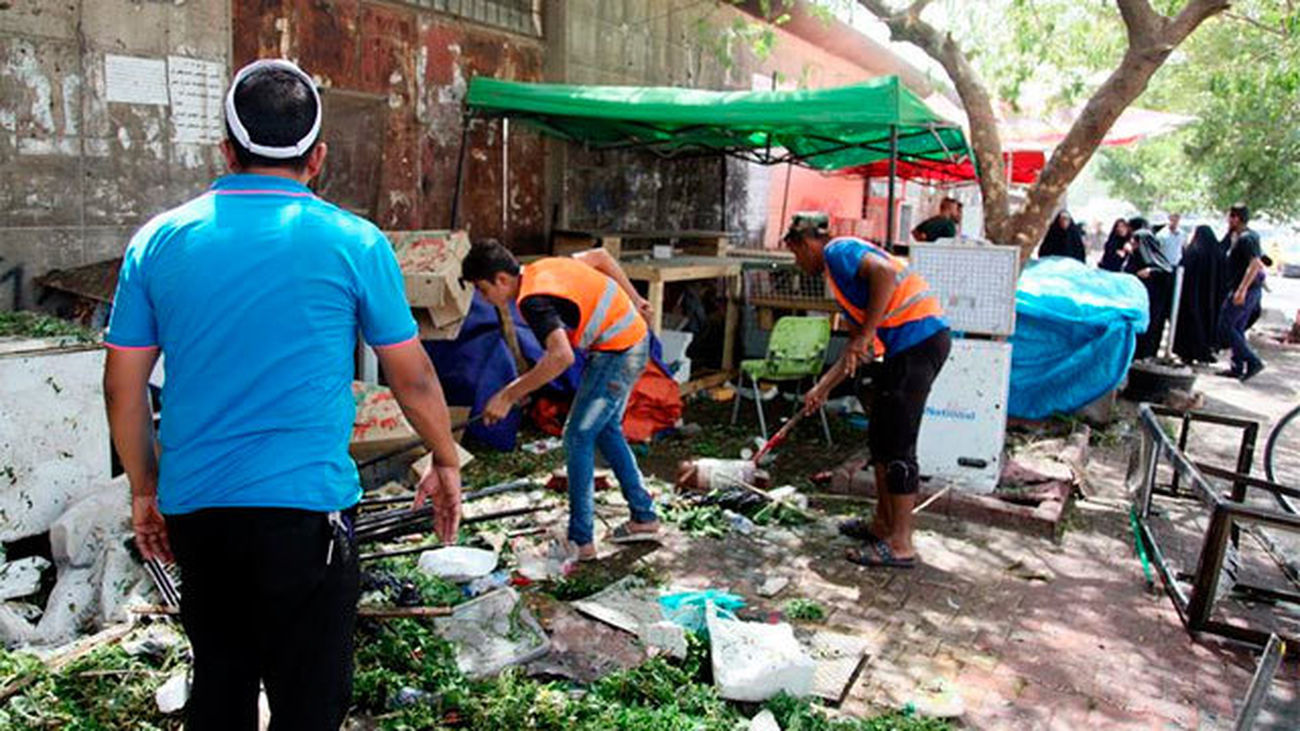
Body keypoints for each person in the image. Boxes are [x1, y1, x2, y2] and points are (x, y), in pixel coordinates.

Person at [102, 60, 464, 729]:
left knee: (221, 688)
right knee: (309, 703)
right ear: (318, 156)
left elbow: (123, 385)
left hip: (200, 514)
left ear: (227, 151)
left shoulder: (158, 241)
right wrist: (444, 457)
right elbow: (412, 377)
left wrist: (144, 489)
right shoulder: (354, 241)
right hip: (307, 520)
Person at [460, 240, 659, 560]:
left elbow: (560, 357)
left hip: (618, 353)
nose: (484, 298)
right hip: (630, 342)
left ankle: (580, 540)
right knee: (605, 431)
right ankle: (644, 517)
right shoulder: (543, 267)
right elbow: (599, 256)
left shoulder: (532, 301)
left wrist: (508, 395)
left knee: (577, 436)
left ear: (501, 279)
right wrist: (635, 299)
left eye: (483, 290)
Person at [784, 213, 950, 569]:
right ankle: (882, 525)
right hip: (904, 346)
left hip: (918, 341)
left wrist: (866, 332)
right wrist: (822, 388)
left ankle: (901, 543)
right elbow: (857, 349)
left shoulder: (838, 251)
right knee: (880, 440)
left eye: (796, 255)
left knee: (899, 444)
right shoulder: (840, 278)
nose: (798, 264)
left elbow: (885, 274)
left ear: (805, 242)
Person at [1216, 204, 1267, 380]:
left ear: (1236, 218)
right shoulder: (1239, 236)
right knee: (1237, 327)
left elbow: (1255, 264)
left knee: (1226, 326)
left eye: (1230, 217)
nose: (1228, 221)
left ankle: (1252, 360)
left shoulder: (1247, 238)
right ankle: (1237, 366)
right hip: (1246, 288)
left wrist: (1241, 290)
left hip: (1245, 289)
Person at [1173, 225, 1229, 364]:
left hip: (1191, 297)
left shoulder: (1193, 251)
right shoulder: (1216, 253)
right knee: (1206, 322)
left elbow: (1182, 269)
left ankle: (1187, 353)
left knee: (1190, 323)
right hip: (1210, 298)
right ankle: (1205, 351)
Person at [1126, 217, 1175, 360]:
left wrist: (1151, 272)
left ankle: (1146, 354)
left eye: (1136, 242)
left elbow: (1166, 272)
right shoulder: (1134, 257)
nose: (1133, 244)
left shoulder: (1157, 263)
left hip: (1153, 303)